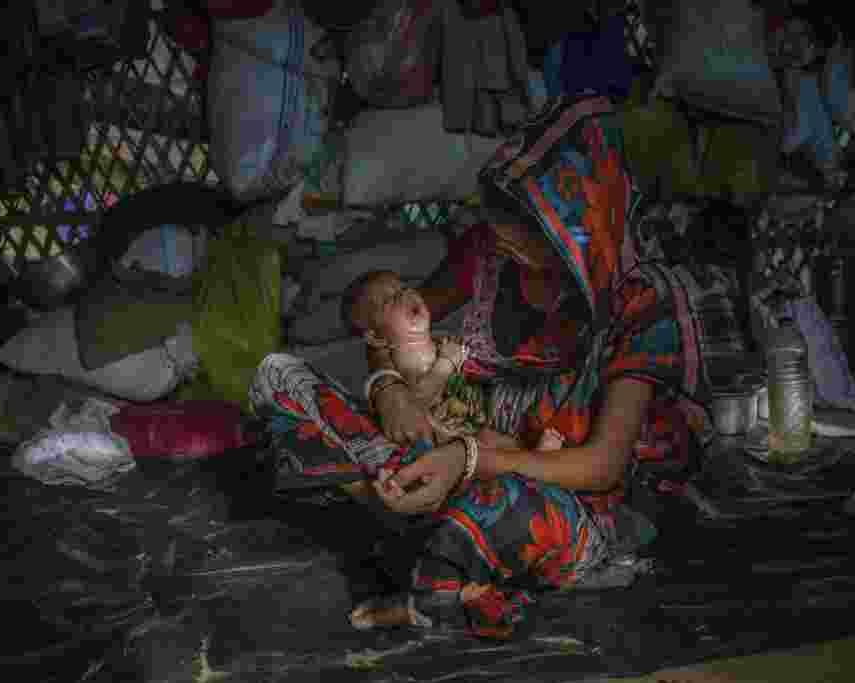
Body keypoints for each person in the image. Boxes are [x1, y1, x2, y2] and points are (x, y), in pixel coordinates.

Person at [250, 95, 715, 639]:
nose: (504, 248)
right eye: (499, 230)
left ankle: (432, 580)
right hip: (464, 455)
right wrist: (388, 390)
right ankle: (414, 517)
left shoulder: (642, 300)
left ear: (576, 229)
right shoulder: (487, 252)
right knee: (279, 377)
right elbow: (391, 324)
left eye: (528, 241)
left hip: (573, 506)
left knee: (508, 505)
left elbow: (601, 467)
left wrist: (467, 460)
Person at [340, 269, 567, 450]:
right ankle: (533, 459)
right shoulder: (402, 362)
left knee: (498, 429)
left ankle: (529, 451)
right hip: (452, 433)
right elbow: (416, 401)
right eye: (389, 300)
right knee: (487, 441)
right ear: (376, 337)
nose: (405, 296)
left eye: (404, 287)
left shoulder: (437, 340)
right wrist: (446, 363)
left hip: (477, 410)